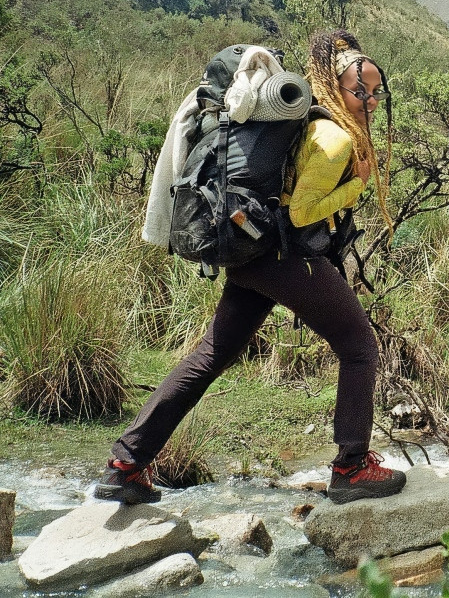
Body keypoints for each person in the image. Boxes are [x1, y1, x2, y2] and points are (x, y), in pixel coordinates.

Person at [95, 30, 405, 505]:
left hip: (254, 256)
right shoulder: (334, 137)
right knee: (360, 345)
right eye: (359, 89)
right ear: (331, 86)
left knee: (211, 357)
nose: (370, 99)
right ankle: (351, 467)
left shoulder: (309, 123)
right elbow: (301, 213)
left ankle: (126, 464)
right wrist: (357, 185)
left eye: (375, 90)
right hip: (285, 256)